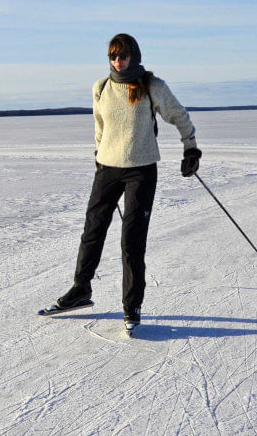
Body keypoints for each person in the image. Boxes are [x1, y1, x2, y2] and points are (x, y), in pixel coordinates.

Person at [40, 33, 200, 331]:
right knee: (92, 231)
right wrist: (99, 154)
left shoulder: (152, 86)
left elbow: (179, 115)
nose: (118, 60)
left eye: (123, 55)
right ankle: (80, 289)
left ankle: (132, 306)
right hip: (107, 168)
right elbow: (100, 127)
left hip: (140, 170)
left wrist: (190, 147)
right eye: (113, 55)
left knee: (132, 241)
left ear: (134, 56)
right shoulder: (101, 87)